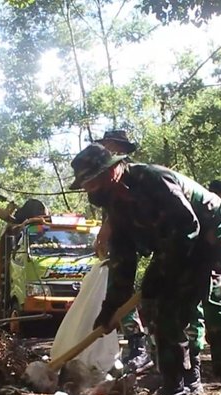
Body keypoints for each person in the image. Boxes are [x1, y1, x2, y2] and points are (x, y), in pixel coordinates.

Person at [69, 144, 221, 395]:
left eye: (95, 180)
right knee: (161, 313)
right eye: (87, 185)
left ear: (115, 169)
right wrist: (111, 306)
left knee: (217, 310)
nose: (91, 189)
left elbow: (187, 226)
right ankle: (175, 391)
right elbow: (123, 260)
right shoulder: (116, 208)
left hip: (216, 238)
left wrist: (160, 271)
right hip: (181, 248)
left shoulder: (153, 179)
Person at [90, 130, 154, 374]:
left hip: (139, 235)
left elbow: (118, 213)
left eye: (109, 145)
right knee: (119, 288)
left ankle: (141, 346)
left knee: (128, 289)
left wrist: (106, 231)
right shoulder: (105, 175)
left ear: (120, 147)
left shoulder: (131, 174)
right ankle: (137, 345)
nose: (106, 148)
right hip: (126, 237)